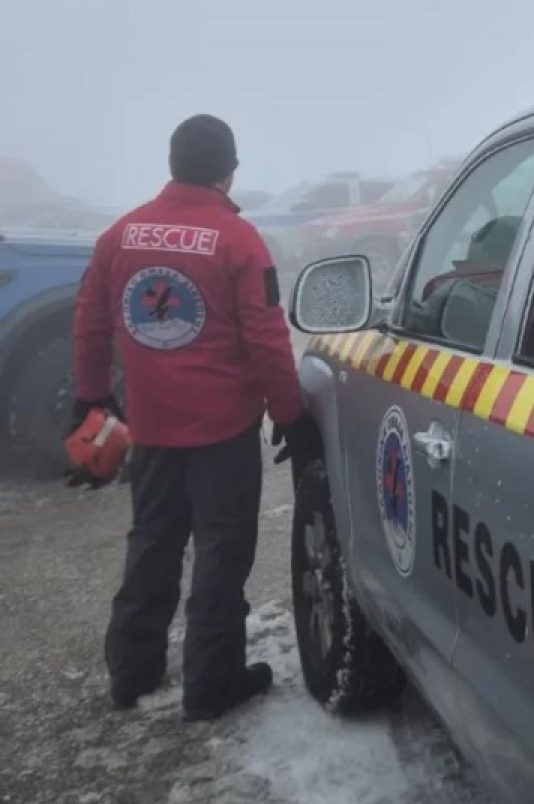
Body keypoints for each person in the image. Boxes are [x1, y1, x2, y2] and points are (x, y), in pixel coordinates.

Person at [71, 114, 318, 721]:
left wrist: (92, 400)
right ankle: (212, 685)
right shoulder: (238, 241)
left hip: (151, 432)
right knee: (220, 556)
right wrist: (292, 419)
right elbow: (266, 342)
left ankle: (131, 674)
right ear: (228, 171)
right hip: (223, 435)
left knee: (151, 545)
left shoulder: (120, 236)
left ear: (174, 165)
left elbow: (90, 323)